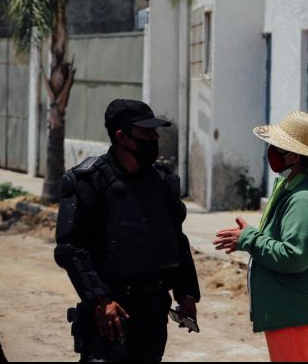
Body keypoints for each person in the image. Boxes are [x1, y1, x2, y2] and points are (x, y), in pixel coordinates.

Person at [54, 99, 200, 362]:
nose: (155, 138)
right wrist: (100, 299)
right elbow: (71, 249)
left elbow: (176, 239)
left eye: (155, 131)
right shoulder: (88, 182)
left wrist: (186, 292)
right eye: (146, 132)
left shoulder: (161, 181)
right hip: (113, 309)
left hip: (154, 308)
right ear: (121, 137)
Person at [213, 111, 308, 362]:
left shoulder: (302, 199)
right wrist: (251, 236)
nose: (271, 151)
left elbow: (294, 256)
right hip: (292, 310)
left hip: (294, 313)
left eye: (278, 146)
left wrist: (250, 239)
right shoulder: (296, 188)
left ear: (293, 156)